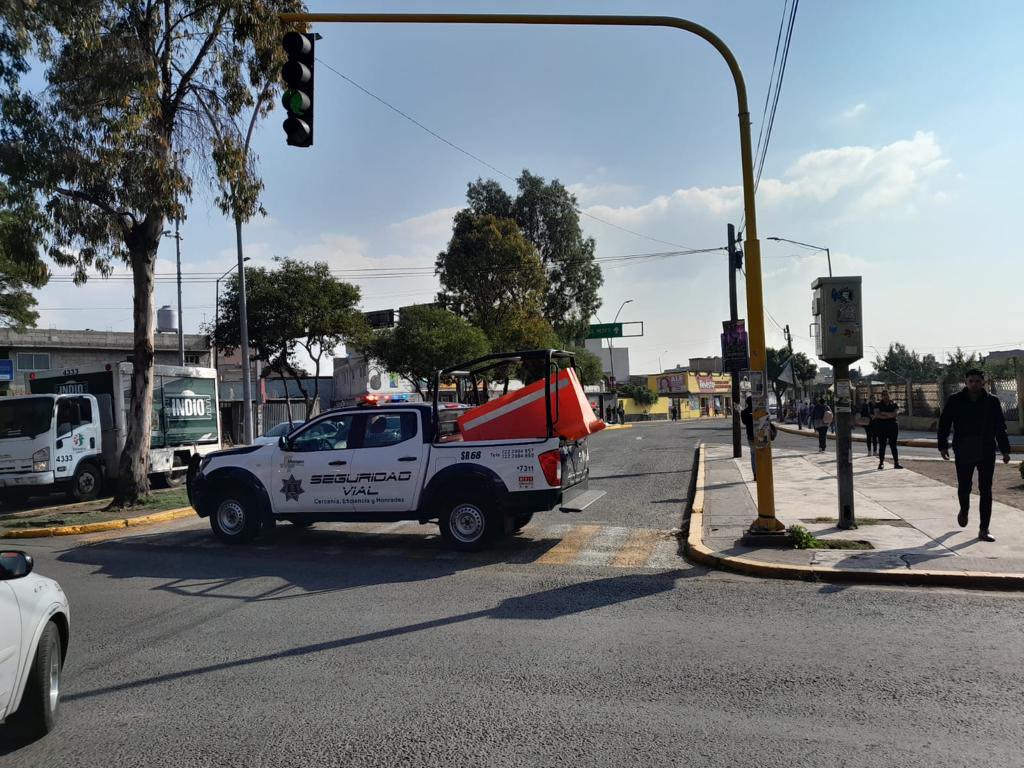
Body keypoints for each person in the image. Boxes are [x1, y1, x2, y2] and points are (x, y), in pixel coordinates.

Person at [938, 368, 1012, 542]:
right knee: (965, 486)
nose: (974, 384)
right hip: (963, 448)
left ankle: (984, 529)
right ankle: (964, 509)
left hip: (986, 449)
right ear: (966, 382)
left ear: (983, 383)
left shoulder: (991, 402)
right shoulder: (955, 400)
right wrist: (943, 445)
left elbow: (1000, 427)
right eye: (971, 381)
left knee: (986, 489)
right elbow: (944, 424)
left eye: (978, 381)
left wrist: (1005, 449)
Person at [874, 390, 902, 470]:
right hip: (881, 428)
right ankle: (881, 463)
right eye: (884, 395)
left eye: (887, 395)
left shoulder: (894, 404)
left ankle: (896, 463)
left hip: (893, 427)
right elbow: (877, 415)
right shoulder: (878, 405)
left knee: (893, 446)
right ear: (882, 396)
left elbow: (895, 414)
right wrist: (889, 415)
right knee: (882, 446)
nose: (886, 397)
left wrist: (884, 413)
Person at [740, 396, 756, 480]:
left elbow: (744, 423)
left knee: (753, 455)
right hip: (761, 435)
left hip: (750, 436)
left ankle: (755, 474)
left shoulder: (744, 412)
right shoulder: (759, 410)